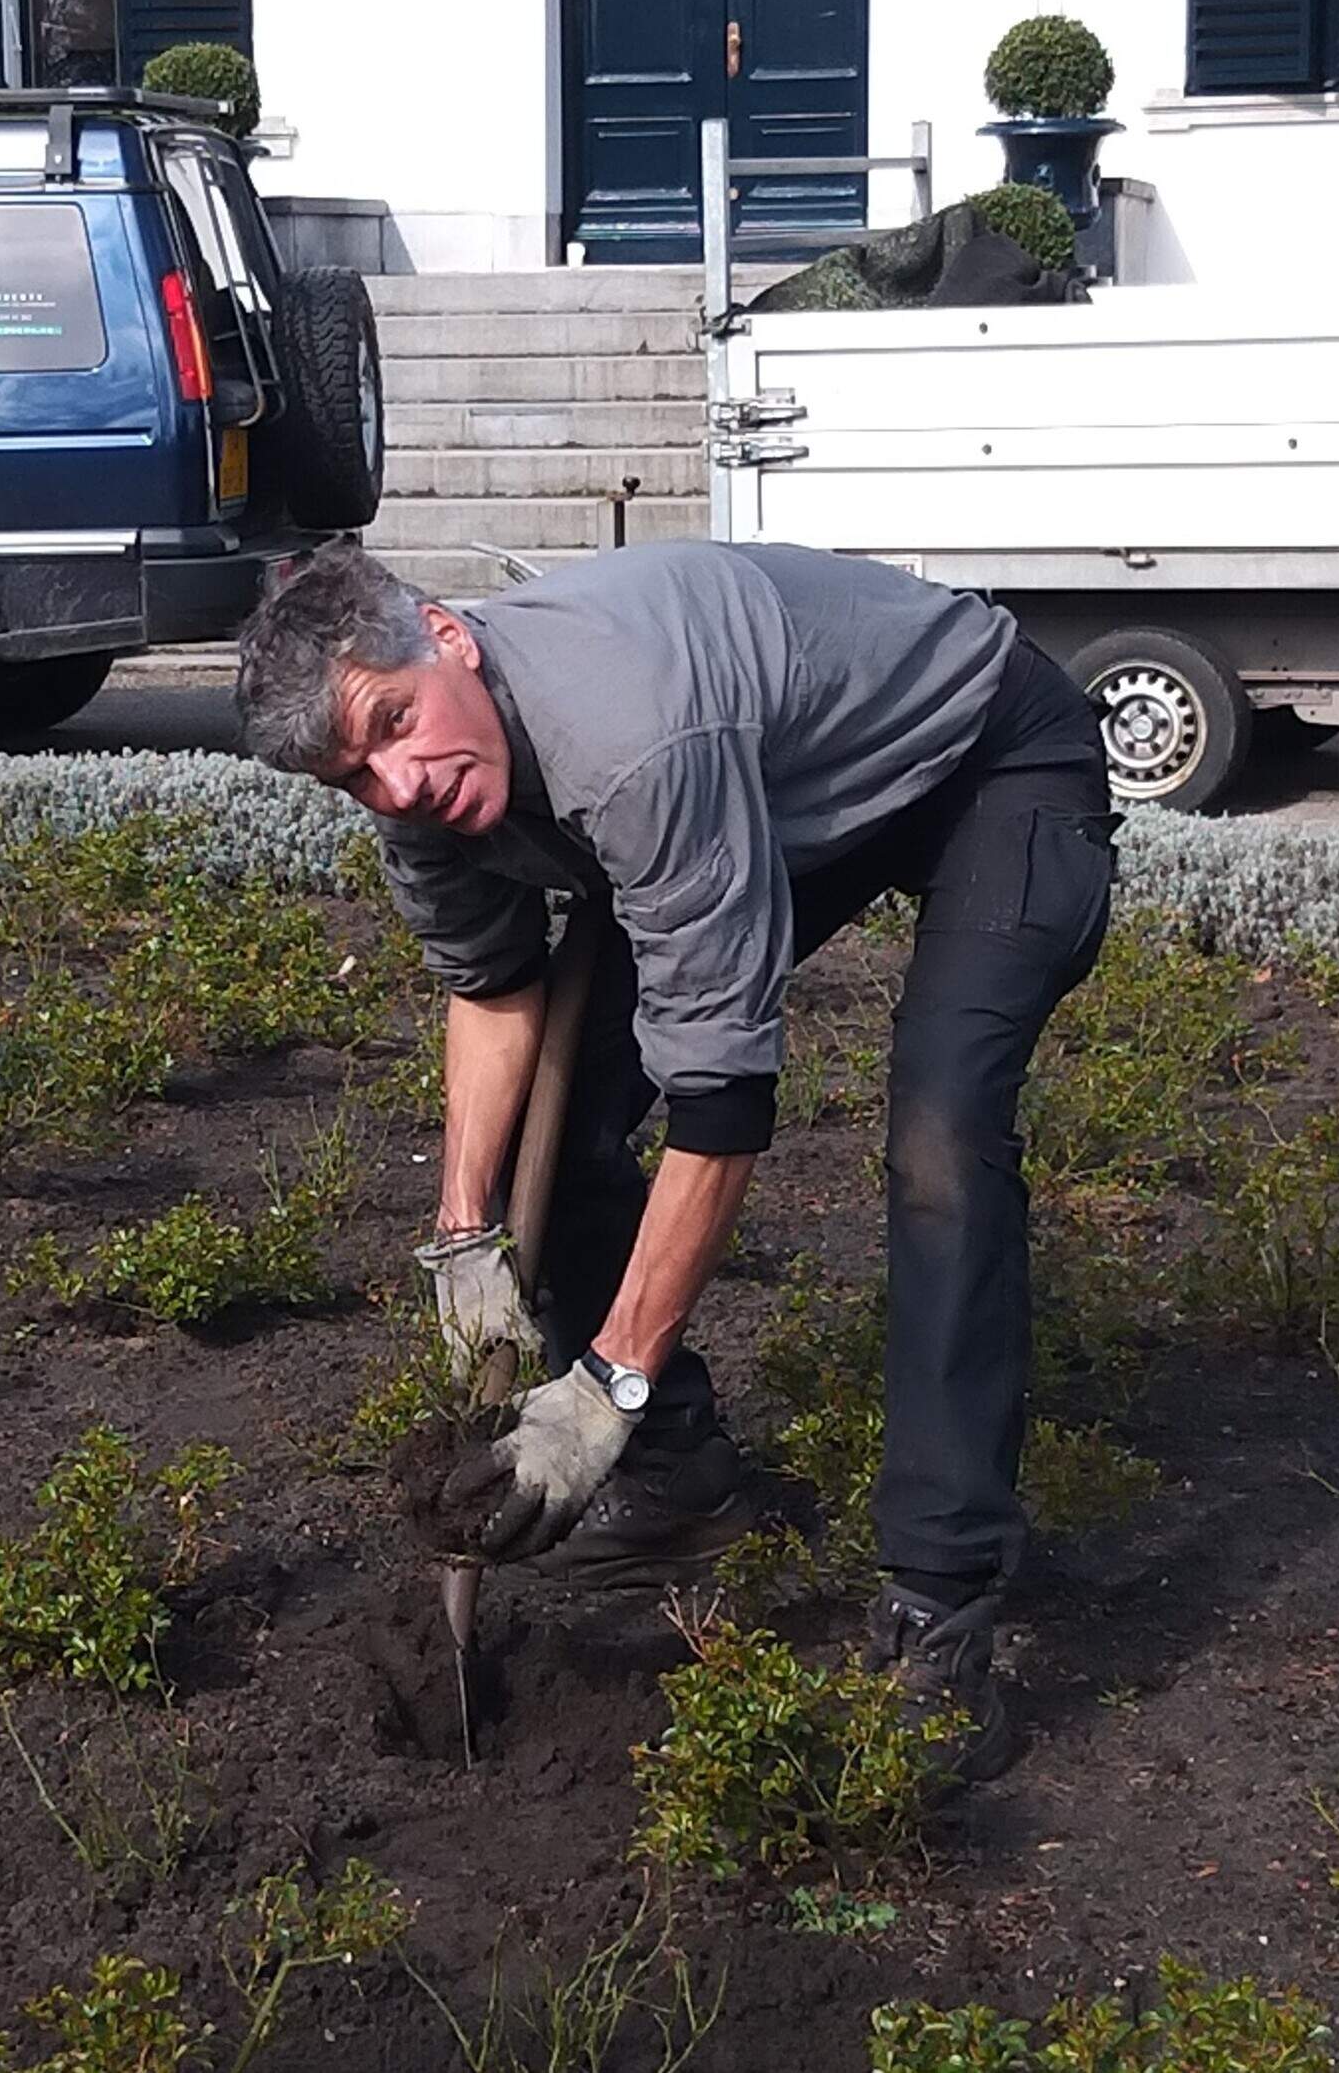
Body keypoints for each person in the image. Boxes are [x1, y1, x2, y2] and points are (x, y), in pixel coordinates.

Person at [232, 537, 1116, 1781]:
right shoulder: (422, 795)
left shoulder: (631, 737)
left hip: (988, 747)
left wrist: (607, 1382)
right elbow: (495, 991)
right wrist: (465, 1232)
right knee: (575, 1104)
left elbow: (721, 1099)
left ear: (448, 638)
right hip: (787, 785)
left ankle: (942, 1597)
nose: (398, 784)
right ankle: (685, 1481)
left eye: (393, 726)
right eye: (354, 776)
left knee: (943, 1136)